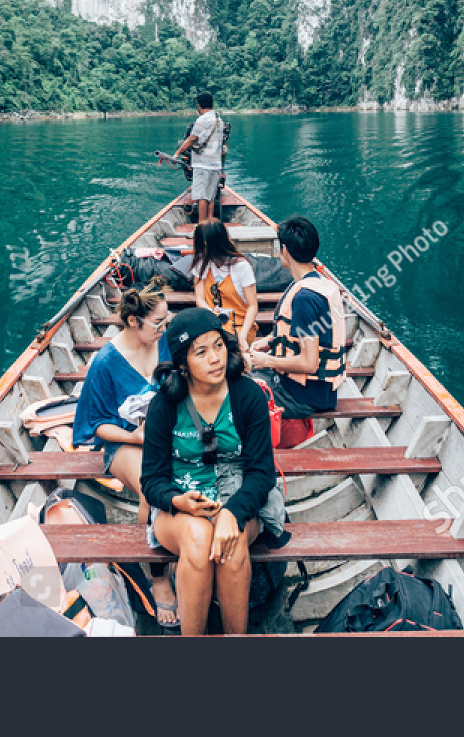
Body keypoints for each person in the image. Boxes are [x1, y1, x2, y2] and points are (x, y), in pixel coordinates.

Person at [141, 308, 282, 636]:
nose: (215, 358)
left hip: (241, 502)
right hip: (180, 509)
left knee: (231, 549)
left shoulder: (247, 396)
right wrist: (179, 502)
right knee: (198, 538)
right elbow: (152, 480)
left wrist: (233, 513)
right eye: (200, 352)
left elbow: (262, 472)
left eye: (218, 346)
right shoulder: (164, 405)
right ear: (182, 364)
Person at [69, 278, 179, 625]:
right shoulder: (105, 362)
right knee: (154, 477)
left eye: (167, 320)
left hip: (171, 435)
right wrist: (141, 438)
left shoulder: (165, 344)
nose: (165, 327)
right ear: (134, 321)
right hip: (127, 444)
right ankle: (158, 575)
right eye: (158, 322)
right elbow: (95, 426)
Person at [247, 215, 347, 420]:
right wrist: (270, 341)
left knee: (234, 391)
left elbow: (309, 363)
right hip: (320, 391)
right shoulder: (316, 282)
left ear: (284, 250)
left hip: (301, 397)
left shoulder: (304, 298)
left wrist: (267, 360)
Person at [191, 219, 258, 352]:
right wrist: (213, 316)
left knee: (226, 350)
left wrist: (242, 337)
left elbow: (252, 306)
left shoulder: (241, 266)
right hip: (212, 324)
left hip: (239, 325)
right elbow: (200, 300)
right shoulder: (201, 263)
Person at [173, 92, 224, 223]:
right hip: (216, 165)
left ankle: (201, 228)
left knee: (201, 196)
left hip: (203, 165)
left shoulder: (202, 120)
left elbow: (191, 139)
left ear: (199, 105)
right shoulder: (220, 121)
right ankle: (211, 226)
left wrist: (177, 153)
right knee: (210, 197)